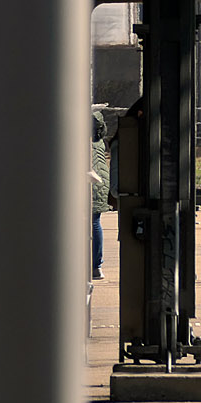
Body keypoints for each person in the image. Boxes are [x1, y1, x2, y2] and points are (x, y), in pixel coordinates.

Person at [90, 111, 110, 280]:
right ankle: (96, 266)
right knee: (95, 222)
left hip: (89, 183)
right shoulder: (99, 141)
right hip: (101, 182)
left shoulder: (81, 141)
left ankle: (93, 264)